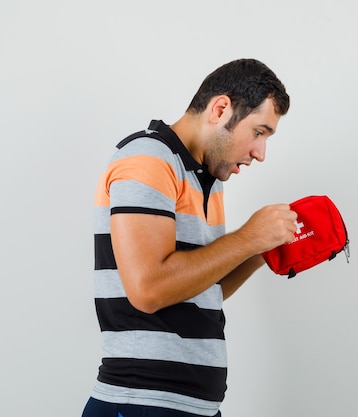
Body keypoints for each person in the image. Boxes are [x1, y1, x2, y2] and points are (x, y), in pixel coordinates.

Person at [83, 58, 297, 417]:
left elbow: (201, 286)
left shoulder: (206, 177)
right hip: (140, 403)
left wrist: (262, 249)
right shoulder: (148, 158)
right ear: (220, 109)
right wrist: (248, 237)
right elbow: (149, 289)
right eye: (259, 132)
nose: (260, 153)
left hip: (191, 406)